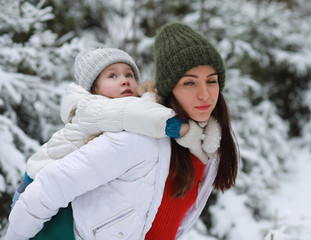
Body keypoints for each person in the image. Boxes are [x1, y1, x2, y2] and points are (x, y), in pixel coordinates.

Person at [5, 22, 239, 240]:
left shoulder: (207, 146)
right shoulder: (138, 137)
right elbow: (50, 186)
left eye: (212, 81)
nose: (205, 94)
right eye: (190, 82)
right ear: (170, 88)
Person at [9, 47, 187, 239]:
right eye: (112, 76)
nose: (124, 80)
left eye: (129, 74)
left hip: (55, 191)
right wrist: (170, 123)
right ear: (94, 88)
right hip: (34, 186)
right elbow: (135, 114)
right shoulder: (95, 107)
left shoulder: (119, 111)